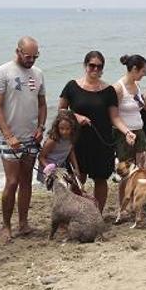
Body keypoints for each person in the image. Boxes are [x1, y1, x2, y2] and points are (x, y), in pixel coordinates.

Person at [59, 51, 134, 214]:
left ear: (102, 69)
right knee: (78, 179)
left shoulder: (109, 91)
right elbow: (61, 111)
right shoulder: (71, 86)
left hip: (102, 141)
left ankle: (96, 215)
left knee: (101, 179)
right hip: (78, 141)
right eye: (92, 65)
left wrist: (127, 131)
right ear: (85, 66)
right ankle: (75, 214)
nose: (95, 69)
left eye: (99, 66)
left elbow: (115, 117)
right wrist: (76, 116)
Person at [0, 37, 48, 242]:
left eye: (35, 56)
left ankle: (23, 223)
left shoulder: (38, 73)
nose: (31, 60)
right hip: (9, 138)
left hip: (31, 136)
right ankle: (5, 226)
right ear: (18, 51)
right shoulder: (3, 72)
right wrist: (8, 135)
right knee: (12, 182)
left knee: (26, 182)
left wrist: (41, 127)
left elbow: (42, 104)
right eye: (27, 56)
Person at [113, 55, 146, 211]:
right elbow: (113, 116)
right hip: (124, 134)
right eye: (143, 70)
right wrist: (127, 132)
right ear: (134, 69)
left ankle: (137, 199)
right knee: (125, 171)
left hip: (138, 131)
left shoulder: (136, 85)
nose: (145, 74)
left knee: (140, 168)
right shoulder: (118, 88)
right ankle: (123, 204)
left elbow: (139, 107)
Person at [36, 110, 82, 184]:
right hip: (48, 169)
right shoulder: (53, 140)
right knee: (59, 190)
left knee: (69, 186)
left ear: (73, 128)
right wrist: (49, 169)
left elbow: (70, 151)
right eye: (62, 128)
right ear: (57, 127)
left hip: (60, 167)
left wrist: (76, 168)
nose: (64, 132)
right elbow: (41, 157)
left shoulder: (71, 137)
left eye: (67, 129)